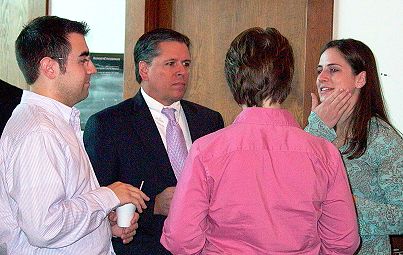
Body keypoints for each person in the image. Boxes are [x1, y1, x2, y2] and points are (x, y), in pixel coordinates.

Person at [161, 27, 360, 254]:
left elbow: (181, 239)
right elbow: (344, 242)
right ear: (287, 79)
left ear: (233, 79)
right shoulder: (324, 153)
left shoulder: (206, 151)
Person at [0, 16, 150, 254]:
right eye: (83, 60)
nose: (93, 68)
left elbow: (61, 210)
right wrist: (108, 196)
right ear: (49, 67)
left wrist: (102, 225)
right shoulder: (39, 131)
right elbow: (44, 228)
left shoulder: (56, 122)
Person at [83, 28, 224, 254]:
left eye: (186, 64)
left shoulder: (209, 120)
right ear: (144, 69)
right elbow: (98, 200)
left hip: (205, 246)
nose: (181, 72)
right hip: (145, 246)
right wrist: (154, 206)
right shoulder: (109, 124)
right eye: (171, 64)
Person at [305, 38, 403, 254]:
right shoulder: (316, 129)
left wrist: (347, 203)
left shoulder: (384, 140)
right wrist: (315, 130)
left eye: (333, 70)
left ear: (360, 79)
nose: (321, 78)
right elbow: (288, 186)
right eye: (319, 70)